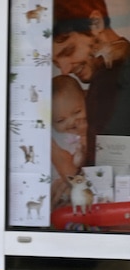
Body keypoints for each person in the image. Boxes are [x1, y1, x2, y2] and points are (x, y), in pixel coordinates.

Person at [53, 0, 130, 166]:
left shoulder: (114, 78)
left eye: (69, 50)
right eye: (56, 64)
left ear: (96, 23)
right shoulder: (102, 78)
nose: (65, 71)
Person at [51, 74, 90, 207]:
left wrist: (84, 136)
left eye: (77, 112)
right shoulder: (55, 137)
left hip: (77, 183)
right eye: (61, 120)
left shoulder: (88, 129)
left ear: (85, 100)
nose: (71, 122)